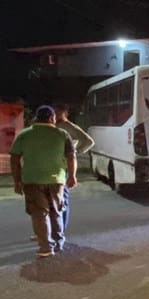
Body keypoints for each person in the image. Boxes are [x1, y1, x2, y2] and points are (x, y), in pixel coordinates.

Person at [10, 105, 77, 259]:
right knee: (56, 211)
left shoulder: (24, 135)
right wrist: (72, 176)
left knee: (39, 214)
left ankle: (46, 247)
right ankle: (58, 241)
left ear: (36, 118)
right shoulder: (62, 134)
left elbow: (14, 158)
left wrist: (17, 180)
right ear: (52, 118)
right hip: (57, 180)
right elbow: (71, 156)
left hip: (32, 180)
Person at [54, 104, 95, 234]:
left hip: (65, 167)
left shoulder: (69, 127)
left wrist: (75, 151)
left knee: (62, 200)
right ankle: (49, 230)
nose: (55, 113)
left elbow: (89, 141)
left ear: (65, 113)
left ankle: (61, 230)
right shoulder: (52, 126)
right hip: (53, 166)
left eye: (58, 111)